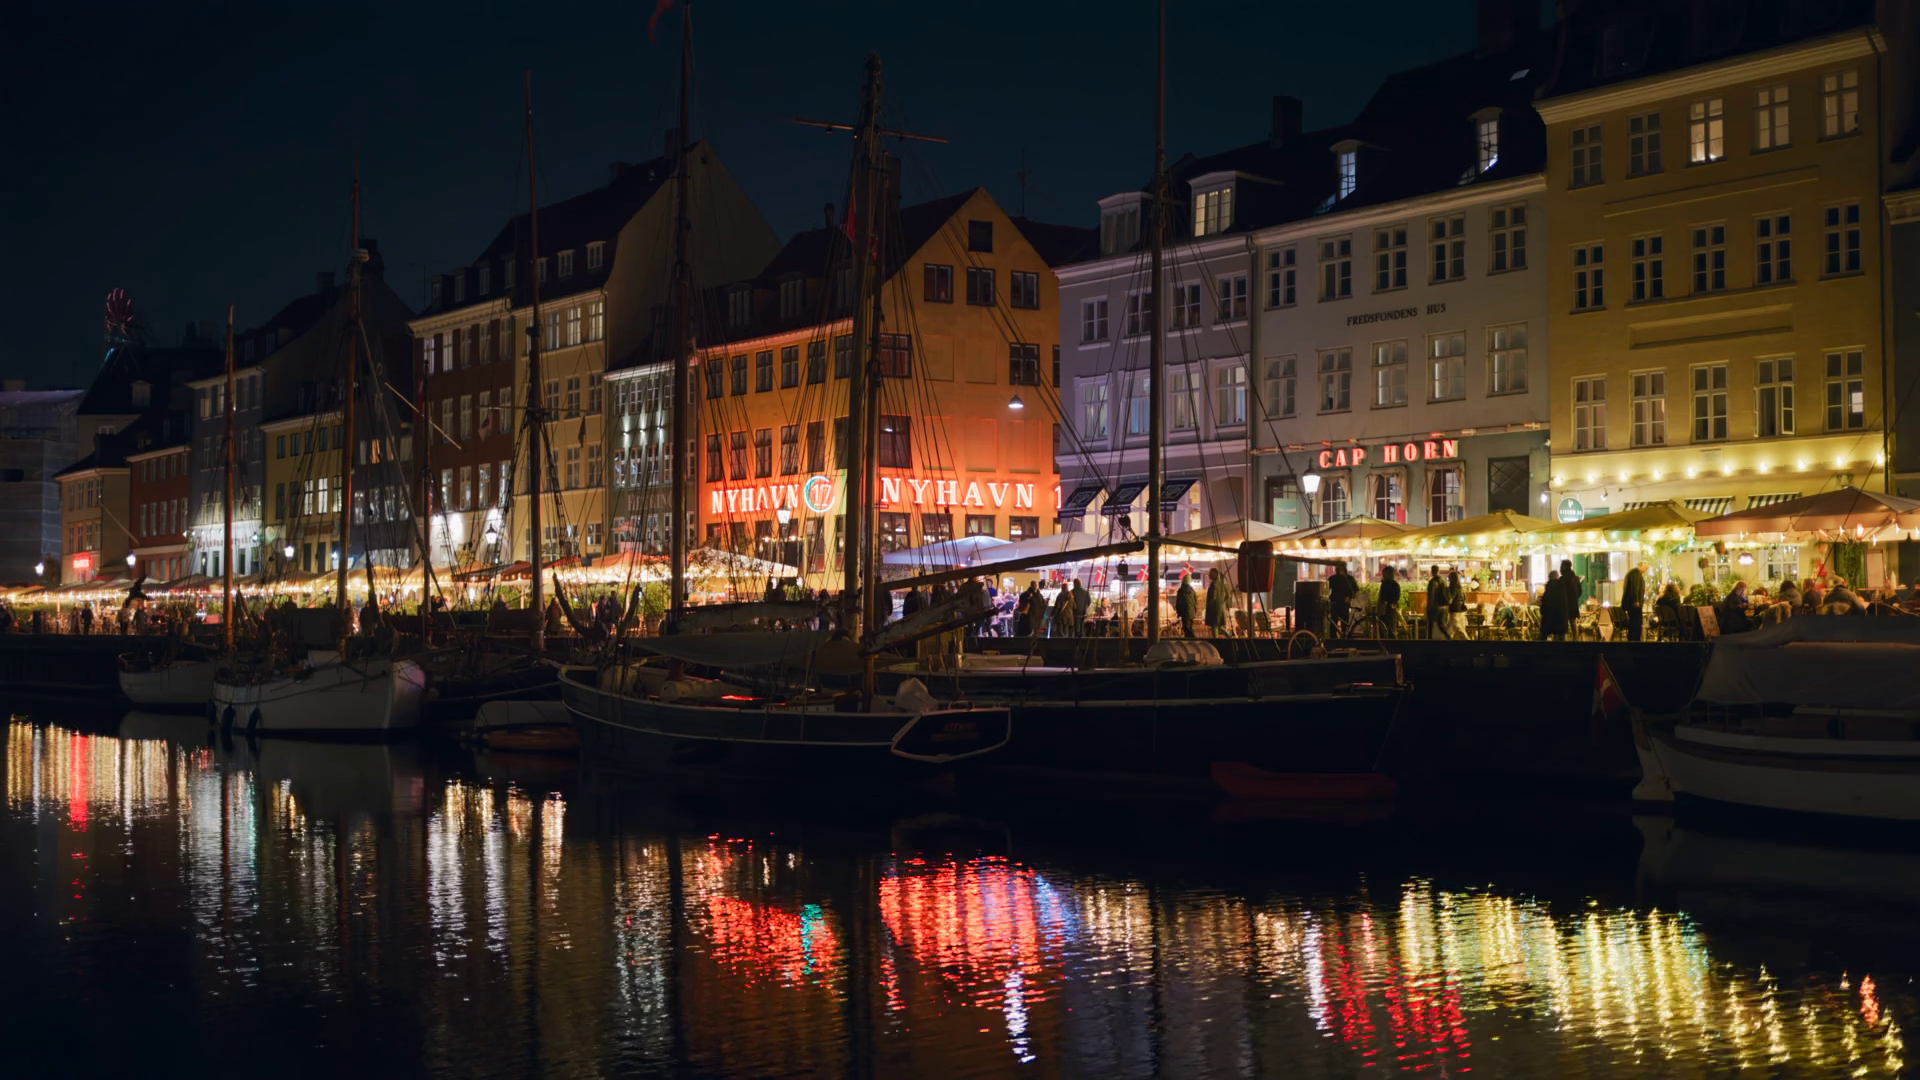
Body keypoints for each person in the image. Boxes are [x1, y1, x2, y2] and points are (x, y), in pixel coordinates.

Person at [1328, 562, 1359, 636]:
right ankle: (1334, 639)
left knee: (1344, 624)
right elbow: (1327, 589)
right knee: (1333, 624)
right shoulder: (1333, 578)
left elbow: (1355, 590)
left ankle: (1344, 637)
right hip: (1335, 603)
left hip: (1344, 603)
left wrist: (1349, 597)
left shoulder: (1349, 579)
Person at [1620, 561, 1648, 642]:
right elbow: (1634, 587)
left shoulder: (1631, 573)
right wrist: (1636, 600)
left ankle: (1632, 640)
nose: (1646, 570)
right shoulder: (1636, 573)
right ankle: (1635, 642)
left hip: (1630, 604)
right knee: (1636, 624)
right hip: (1634, 605)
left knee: (1632, 624)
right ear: (1641, 565)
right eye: (1646, 567)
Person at [1539, 570, 1568, 641]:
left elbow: (1545, 601)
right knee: (1560, 634)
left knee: (1545, 634)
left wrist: (1542, 610)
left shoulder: (1549, 587)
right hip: (1561, 615)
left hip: (1549, 615)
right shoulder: (1562, 587)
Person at [1205, 567, 1232, 638]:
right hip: (1221, 607)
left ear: (1214, 574)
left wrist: (1211, 604)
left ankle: (1216, 640)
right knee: (1218, 625)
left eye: (1210, 573)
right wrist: (1222, 602)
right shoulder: (1223, 583)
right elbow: (1228, 595)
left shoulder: (1214, 584)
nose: (1209, 575)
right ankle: (1228, 635)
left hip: (1214, 608)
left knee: (1214, 626)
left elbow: (1213, 596)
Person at [1425, 567, 1450, 640]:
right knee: (1440, 623)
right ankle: (1448, 637)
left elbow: (1431, 594)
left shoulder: (1432, 582)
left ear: (1432, 572)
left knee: (1430, 624)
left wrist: (1429, 605)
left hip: (1434, 606)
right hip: (1443, 607)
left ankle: (1429, 640)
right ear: (1438, 571)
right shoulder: (1443, 581)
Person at [1377, 566, 1401, 638]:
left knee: (1384, 628)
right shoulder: (1395, 585)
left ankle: (1386, 642)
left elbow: (1382, 597)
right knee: (1391, 628)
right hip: (1391, 608)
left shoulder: (1385, 584)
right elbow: (1397, 597)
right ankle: (1392, 642)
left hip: (1385, 609)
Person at [1174, 573, 1197, 638]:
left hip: (1184, 612)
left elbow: (1178, 602)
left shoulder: (1181, 590)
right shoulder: (1192, 590)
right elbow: (1195, 601)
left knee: (1186, 628)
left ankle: (1192, 638)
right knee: (1190, 627)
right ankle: (1191, 639)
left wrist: (1178, 612)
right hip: (1192, 612)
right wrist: (1195, 610)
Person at [1448, 568, 1468, 639]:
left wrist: (1447, 603)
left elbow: (1450, 598)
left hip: (1454, 609)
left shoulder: (1452, 586)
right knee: (1451, 627)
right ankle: (1448, 639)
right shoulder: (1460, 587)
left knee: (1457, 627)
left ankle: (1467, 639)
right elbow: (1465, 598)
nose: (1448, 578)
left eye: (1449, 577)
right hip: (1460, 610)